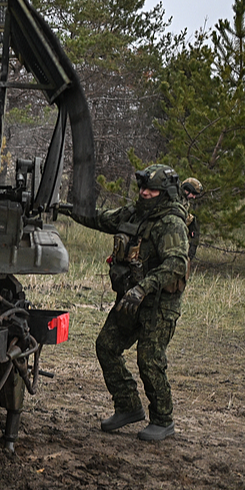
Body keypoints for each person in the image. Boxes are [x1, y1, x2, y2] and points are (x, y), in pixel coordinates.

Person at [67, 164, 190, 442]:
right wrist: (66, 209)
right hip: (131, 299)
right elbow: (100, 219)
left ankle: (163, 419)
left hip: (158, 304)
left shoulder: (171, 223)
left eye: (152, 189)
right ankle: (128, 406)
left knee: (149, 360)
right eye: (143, 188)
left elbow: (176, 264)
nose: (145, 193)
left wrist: (143, 289)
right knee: (106, 346)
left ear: (165, 193)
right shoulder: (135, 215)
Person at [181, 177, 203, 262]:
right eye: (193, 193)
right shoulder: (174, 199)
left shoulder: (185, 202)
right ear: (186, 189)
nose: (194, 197)